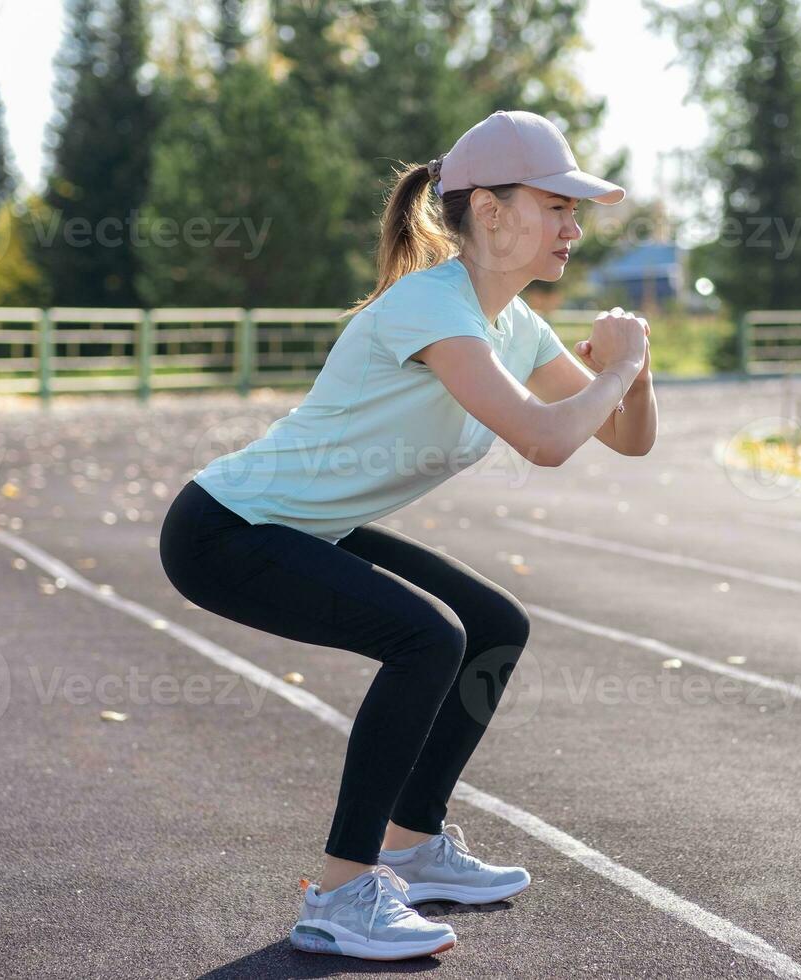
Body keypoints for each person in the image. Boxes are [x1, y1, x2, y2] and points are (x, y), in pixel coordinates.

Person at [158, 108, 656, 962]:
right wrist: (615, 366)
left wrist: (633, 370)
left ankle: (413, 846)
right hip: (226, 529)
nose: (575, 227)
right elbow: (543, 440)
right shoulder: (433, 305)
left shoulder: (513, 322)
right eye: (557, 205)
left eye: (577, 211)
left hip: (307, 526)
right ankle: (343, 893)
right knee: (427, 637)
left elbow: (624, 438)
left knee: (495, 627)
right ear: (491, 212)